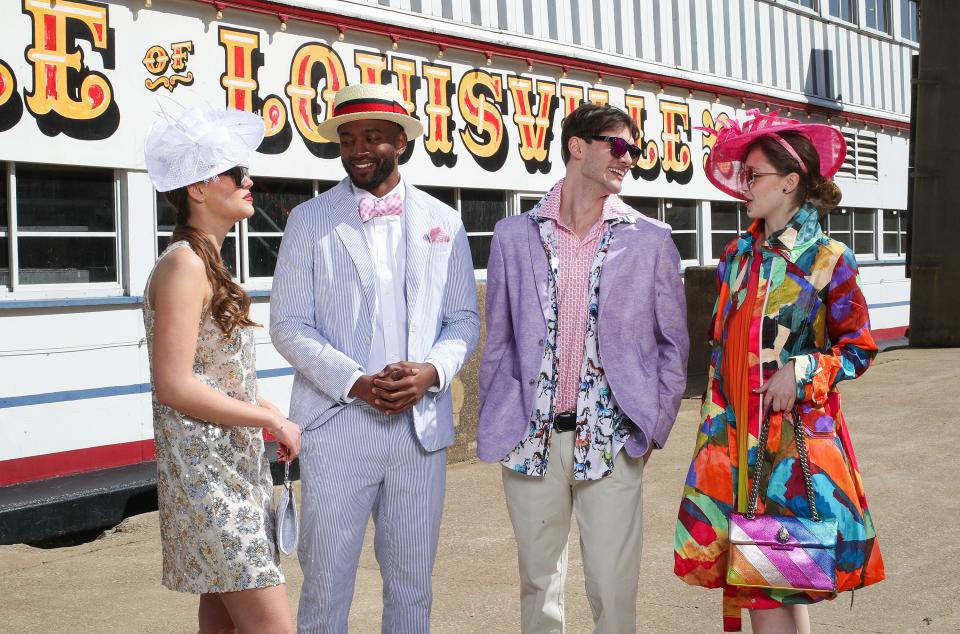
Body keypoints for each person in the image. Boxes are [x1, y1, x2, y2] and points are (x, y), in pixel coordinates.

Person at [269, 83, 480, 633]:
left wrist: (431, 372)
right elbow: (287, 325)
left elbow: (463, 320)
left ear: (401, 144)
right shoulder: (309, 220)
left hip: (419, 431)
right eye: (347, 139)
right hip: (337, 426)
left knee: (412, 589)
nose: (357, 149)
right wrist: (355, 382)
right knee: (325, 585)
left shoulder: (445, 221)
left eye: (372, 138)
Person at [477, 103, 689, 633]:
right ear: (578, 146)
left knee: (614, 590)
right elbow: (498, 338)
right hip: (531, 436)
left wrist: (653, 424)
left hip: (613, 438)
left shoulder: (651, 239)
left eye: (634, 152)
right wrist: (500, 410)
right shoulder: (512, 235)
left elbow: (673, 342)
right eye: (619, 146)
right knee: (538, 584)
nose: (629, 160)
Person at [674, 110, 886, 633]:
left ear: (791, 183)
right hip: (732, 441)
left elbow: (857, 347)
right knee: (776, 577)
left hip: (788, 449)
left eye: (755, 176)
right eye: (743, 175)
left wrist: (804, 366)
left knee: (772, 584)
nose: (744, 186)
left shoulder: (829, 259)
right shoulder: (734, 258)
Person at [142, 107, 300, 634]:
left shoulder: (199, 259)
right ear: (198, 188)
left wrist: (263, 411)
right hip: (209, 477)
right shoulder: (186, 263)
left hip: (227, 470)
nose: (248, 181)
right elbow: (175, 383)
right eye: (235, 172)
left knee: (223, 626)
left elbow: (210, 372)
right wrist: (269, 419)